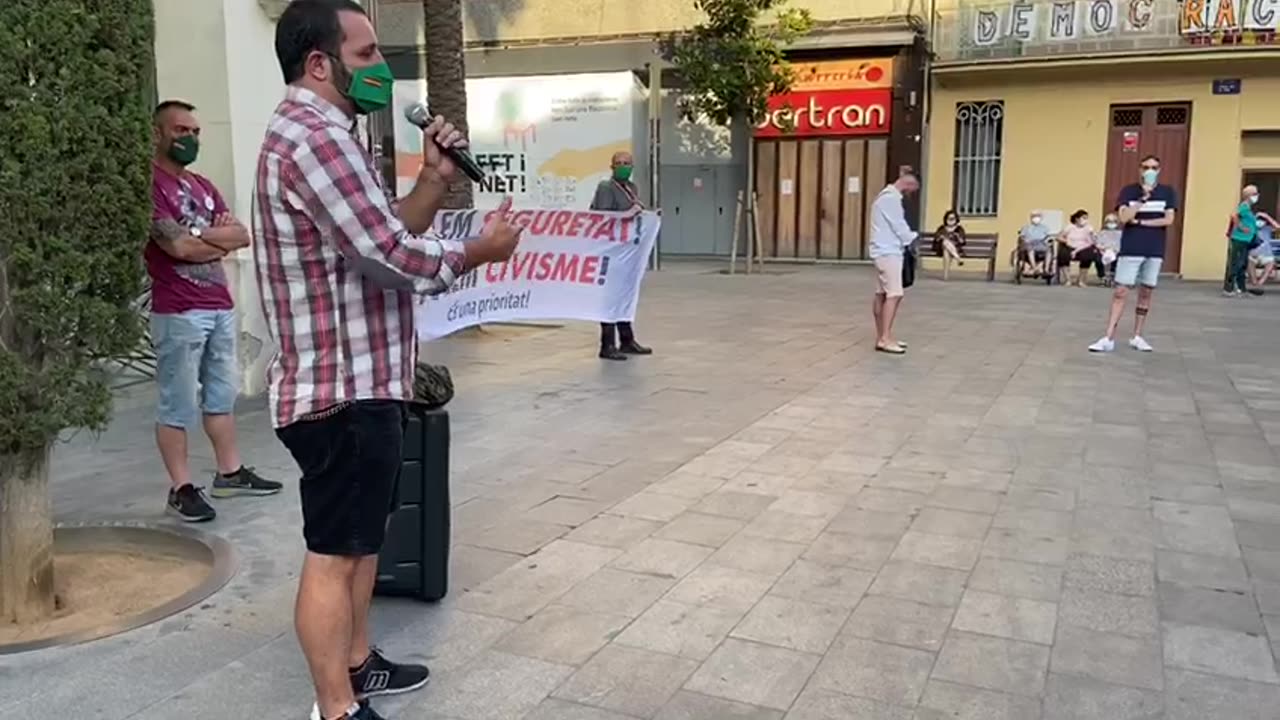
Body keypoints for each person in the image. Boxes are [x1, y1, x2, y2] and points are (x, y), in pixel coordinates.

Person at [253, 3, 522, 720]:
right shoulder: (314, 139)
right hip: (337, 390)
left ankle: (357, 660)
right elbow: (389, 256)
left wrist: (435, 180)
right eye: (367, 54)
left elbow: (381, 229)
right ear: (320, 63)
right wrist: (475, 254)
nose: (380, 68)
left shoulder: (329, 136)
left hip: (362, 380)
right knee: (334, 553)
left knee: (361, 546)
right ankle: (336, 708)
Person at [148, 100, 282, 523]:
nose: (189, 138)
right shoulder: (149, 186)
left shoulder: (202, 186)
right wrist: (212, 237)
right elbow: (177, 247)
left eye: (195, 131)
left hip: (219, 306)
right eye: (180, 130)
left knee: (221, 398)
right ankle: (182, 487)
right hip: (179, 310)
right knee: (177, 404)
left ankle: (230, 472)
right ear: (158, 133)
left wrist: (203, 235)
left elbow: (242, 235)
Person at [1088, 154, 1177, 353]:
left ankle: (1137, 335)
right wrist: (1141, 200)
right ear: (1140, 169)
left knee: (1146, 292)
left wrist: (1142, 223)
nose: (1149, 171)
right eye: (1146, 167)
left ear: (1159, 170)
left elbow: (1168, 219)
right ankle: (1108, 336)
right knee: (1121, 291)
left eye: (1154, 167)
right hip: (1131, 247)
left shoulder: (1168, 192)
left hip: (1154, 249)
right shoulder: (1128, 192)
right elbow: (1124, 217)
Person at [590, 151, 652, 360]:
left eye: (627, 163)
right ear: (612, 166)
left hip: (627, 253)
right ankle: (607, 344)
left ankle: (627, 339)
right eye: (619, 163)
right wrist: (628, 214)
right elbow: (603, 217)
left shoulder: (631, 188)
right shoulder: (606, 188)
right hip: (610, 252)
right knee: (609, 299)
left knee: (624, 296)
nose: (623, 166)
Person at [868, 170, 920, 354]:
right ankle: (885, 338)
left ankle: (883, 335)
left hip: (882, 251)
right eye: (914, 188)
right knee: (894, 294)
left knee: (881, 293)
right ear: (909, 183)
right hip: (888, 252)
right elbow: (899, 226)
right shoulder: (891, 199)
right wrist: (913, 239)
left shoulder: (883, 197)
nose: (912, 193)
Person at [1225, 184, 1260, 297]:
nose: (1257, 196)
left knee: (1242, 264)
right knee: (1235, 263)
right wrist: (1241, 227)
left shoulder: (1248, 208)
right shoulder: (1244, 206)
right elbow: (1235, 216)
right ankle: (1229, 289)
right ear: (1248, 195)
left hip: (1246, 240)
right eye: (1255, 194)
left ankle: (1241, 288)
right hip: (1239, 239)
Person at [1059, 209, 1104, 287]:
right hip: (1070, 245)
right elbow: (1059, 237)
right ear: (1077, 219)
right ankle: (1068, 280)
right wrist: (1066, 241)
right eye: (1083, 218)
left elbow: (1091, 242)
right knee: (1063, 254)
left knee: (1087, 255)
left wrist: (1092, 234)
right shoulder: (1069, 227)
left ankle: (1081, 280)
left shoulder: (1089, 228)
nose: (1085, 220)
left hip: (1083, 247)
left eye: (1086, 218)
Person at [1249, 211, 1279, 290]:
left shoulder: (1267, 229)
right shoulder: (1251, 227)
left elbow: (1278, 227)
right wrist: (1254, 218)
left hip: (1267, 255)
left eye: (1262, 220)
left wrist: (1267, 216)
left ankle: (1260, 283)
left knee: (1271, 263)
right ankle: (1254, 283)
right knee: (1249, 261)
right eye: (1258, 219)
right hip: (1253, 255)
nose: (1260, 222)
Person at [1017, 211, 1052, 277]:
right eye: (1034, 216)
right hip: (1029, 243)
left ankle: (1046, 270)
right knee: (1031, 249)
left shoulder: (1044, 227)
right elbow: (1022, 237)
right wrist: (1025, 241)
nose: (1036, 218)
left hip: (1041, 242)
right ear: (1031, 218)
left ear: (1041, 218)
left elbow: (1048, 237)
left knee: (1049, 250)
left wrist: (1048, 242)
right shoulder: (1026, 227)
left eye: (1038, 216)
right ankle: (1034, 268)